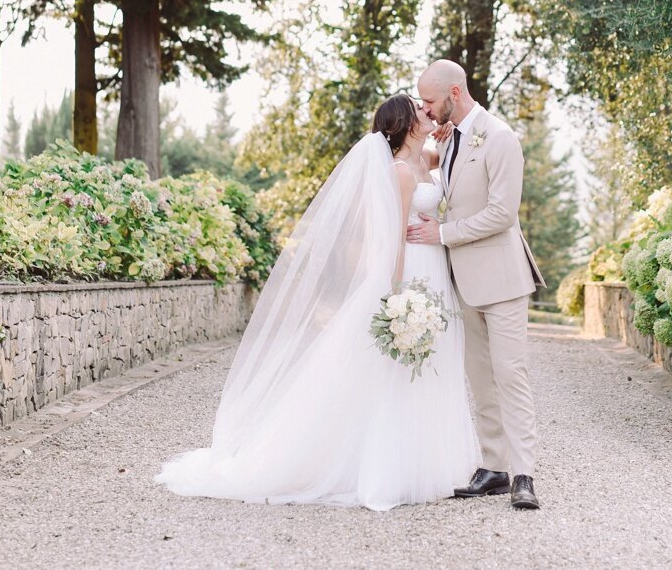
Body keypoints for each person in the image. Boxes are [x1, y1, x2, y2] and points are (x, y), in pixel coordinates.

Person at [155, 95, 477, 510]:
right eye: (420, 109)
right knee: (389, 370)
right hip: (411, 269)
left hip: (434, 267)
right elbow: (392, 236)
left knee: (429, 364)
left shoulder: (425, 160)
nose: (428, 112)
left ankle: (427, 459)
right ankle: (382, 466)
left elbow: (442, 155)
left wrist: (447, 137)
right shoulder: (399, 172)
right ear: (405, 123)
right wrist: (397, 295)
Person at [408, 60, 545, 511]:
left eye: (429, 101)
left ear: (453, 91)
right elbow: (445, 190)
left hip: (502, 280)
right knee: (480, 378)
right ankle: (494, 468)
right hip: (462, 281)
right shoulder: (449, 140)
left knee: (511, 375)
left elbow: (502, 214)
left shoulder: (501, 138)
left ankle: (524, 474)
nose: (426, 110)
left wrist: (442, 234)